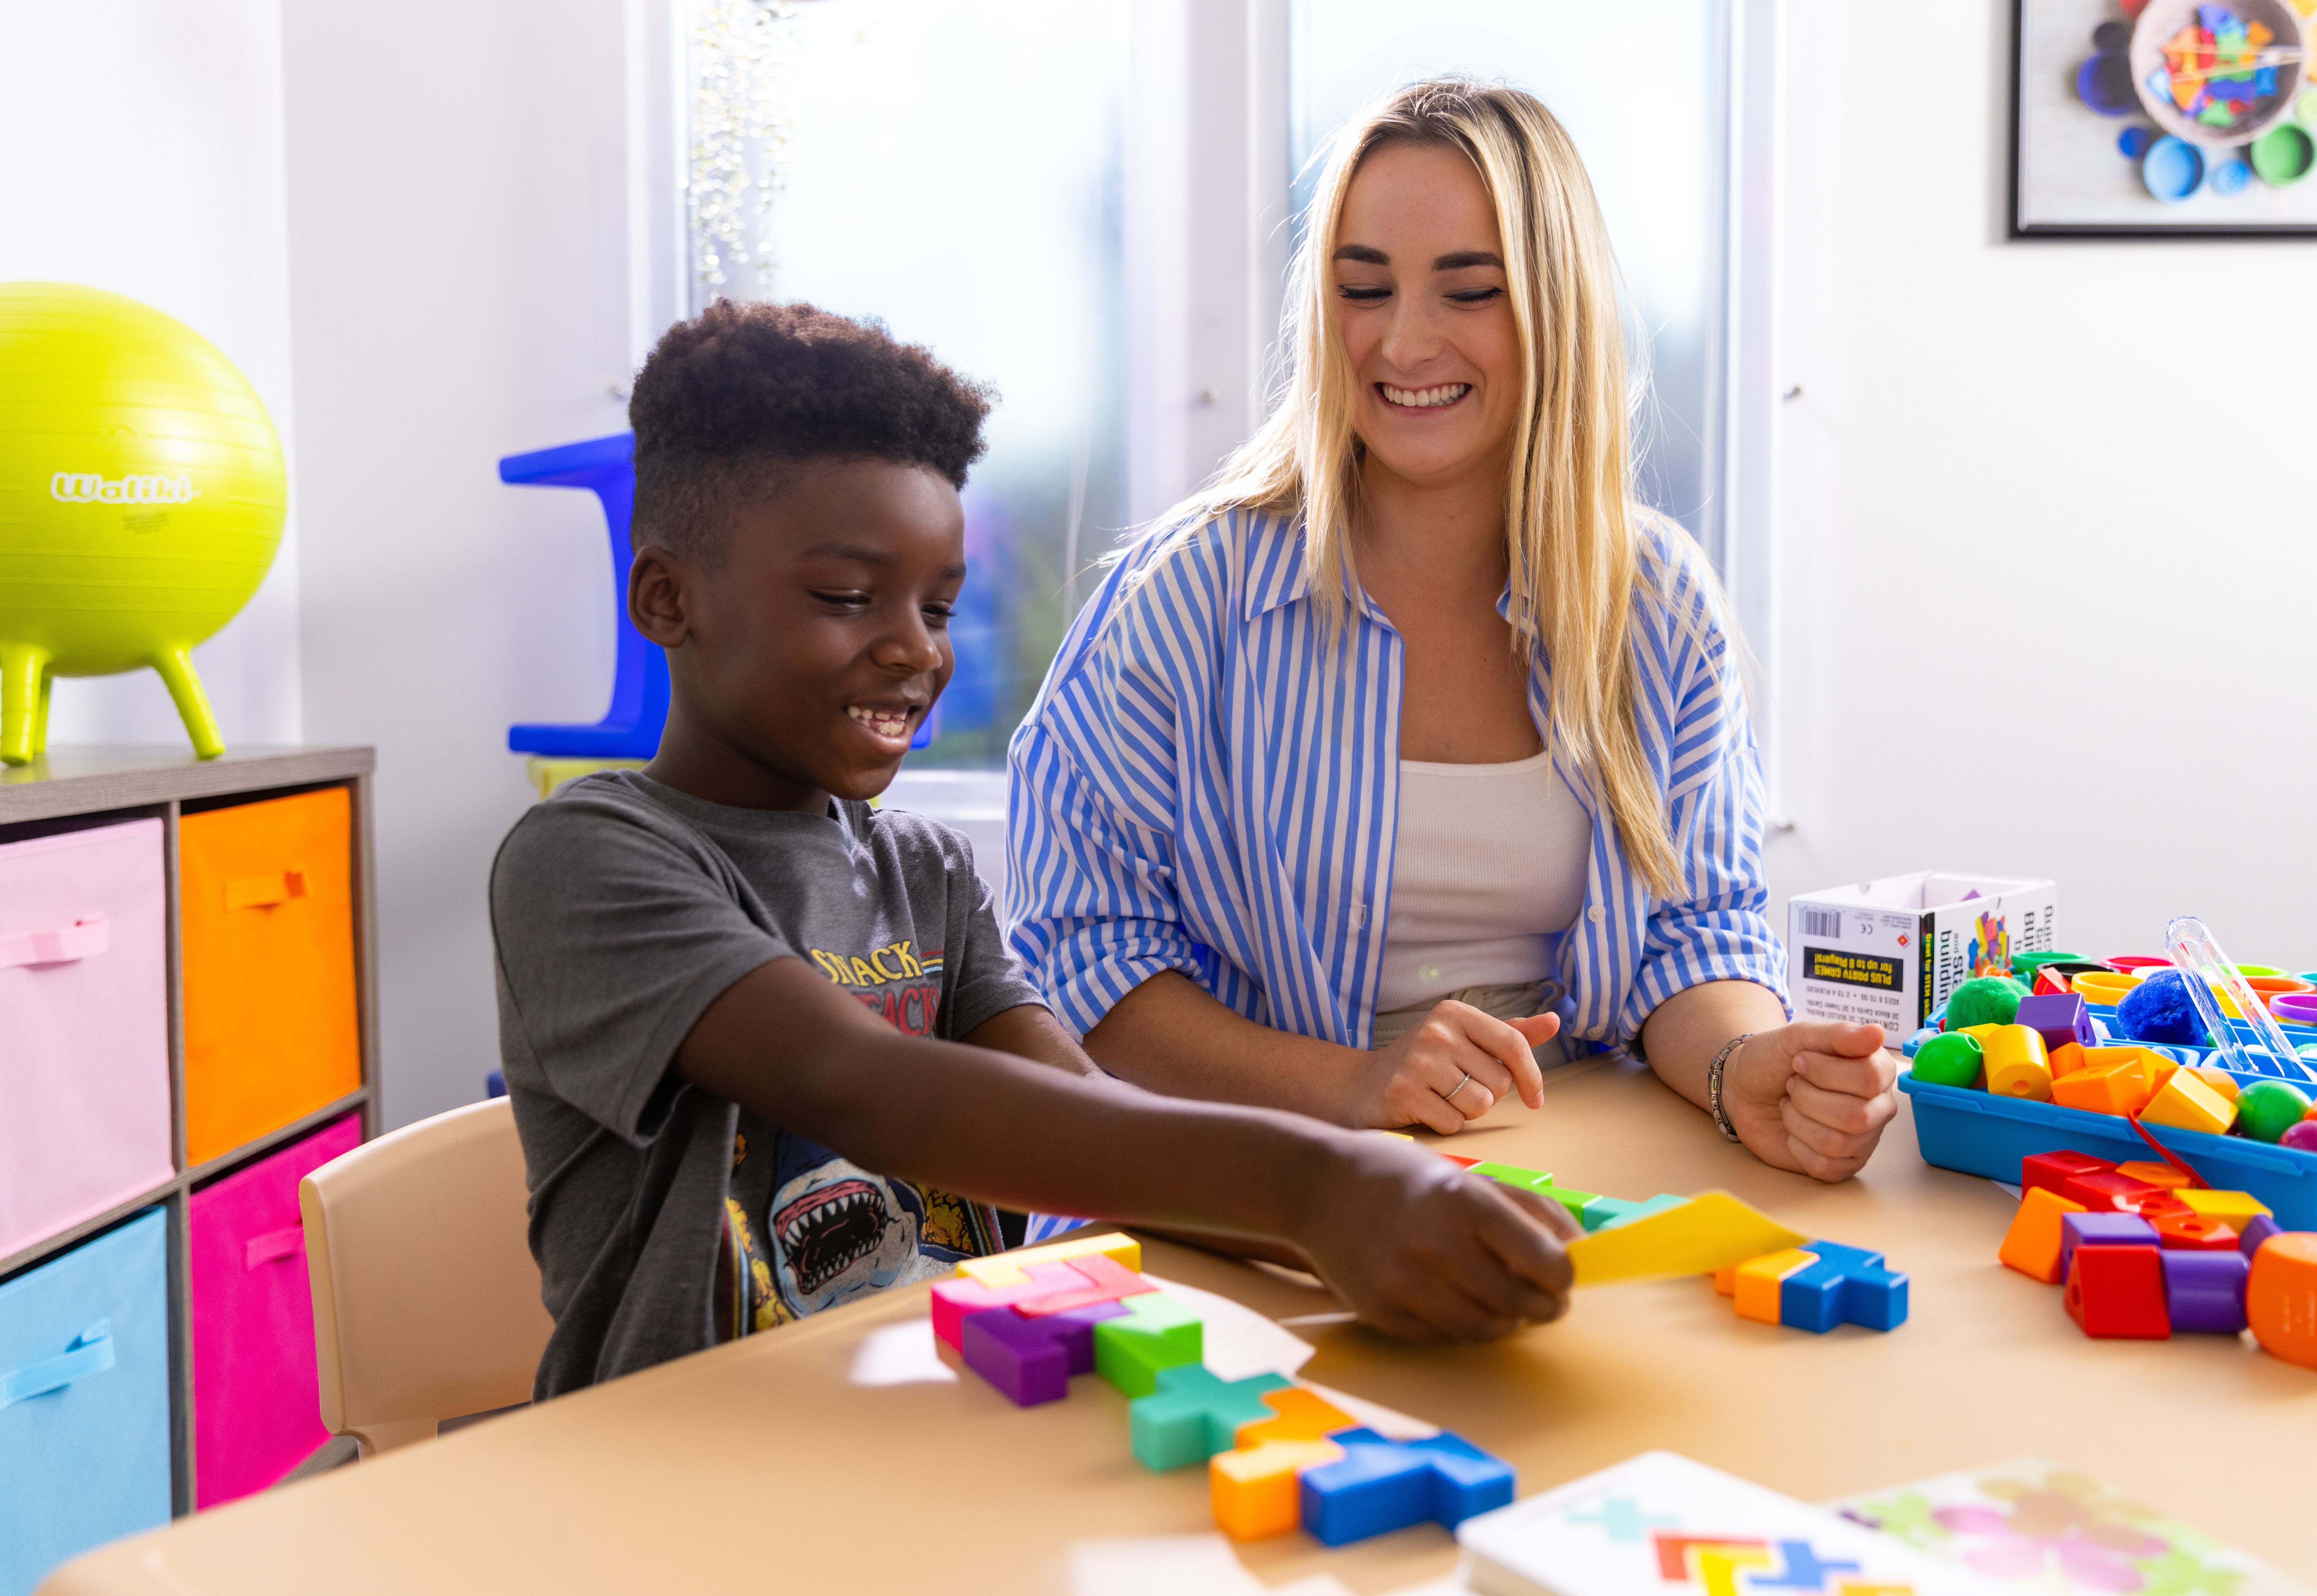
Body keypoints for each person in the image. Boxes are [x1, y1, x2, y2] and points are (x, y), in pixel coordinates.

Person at [488, 300, 1577, 1398]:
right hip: (672, 1475)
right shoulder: (585, 862)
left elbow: (1102, 1131)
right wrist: (1320, 1186)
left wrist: (1381, 1230)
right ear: (667, 599)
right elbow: (857, 1082)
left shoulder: (928, 873)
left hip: (945, 1433)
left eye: (941, 606)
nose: (915, 648)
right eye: (846, 598)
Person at [1007, 79, 1900, 1182]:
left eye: (1469, 290)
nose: (1404, 341)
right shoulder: (1189, 596)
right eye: (1362, 288)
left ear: (1555, 308)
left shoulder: (1658, 605)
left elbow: (1695, 939)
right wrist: (1356, 1088)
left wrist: (1746, 1067)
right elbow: (1083, 963)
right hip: (1244, 1190)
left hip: (1558, 1180)